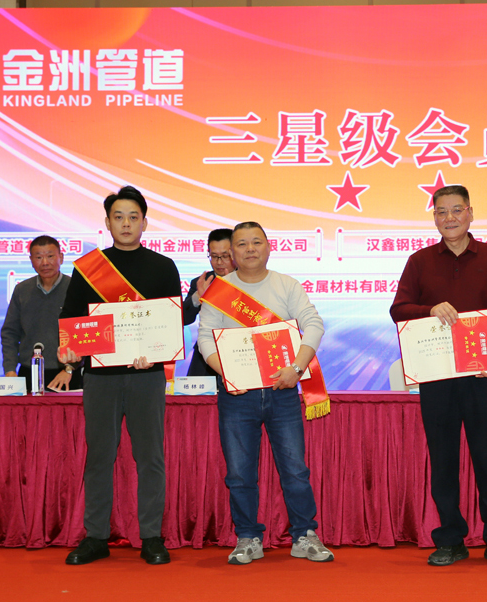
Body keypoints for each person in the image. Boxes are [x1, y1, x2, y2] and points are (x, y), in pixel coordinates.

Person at [389, 185, 487, 568]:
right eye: (441, 211)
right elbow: (399, 309)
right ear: (434, 217)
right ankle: (450, 539)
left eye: (457, 210)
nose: (449, 218)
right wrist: (429, 309)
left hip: (481, 376)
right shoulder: (419, 261)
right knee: (443, 461)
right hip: (437, 378)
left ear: (470, 213)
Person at [58, 186, 183, 566]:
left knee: (150, 457)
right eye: (118, 217)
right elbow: (71, 321)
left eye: (133, 217)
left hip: (147, 376)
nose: (126, 224)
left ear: (144, 223)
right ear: (107, 222)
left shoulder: (163, 267)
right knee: (99, 456)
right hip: (100, 376)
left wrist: (156, 354)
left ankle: (152, 537)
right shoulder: (89, 268)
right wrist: (68, 351)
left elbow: (170, 322)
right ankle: (96, 536)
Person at [198, 222, 334, 565]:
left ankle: (304, 535)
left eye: (256, 242)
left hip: (282, 391)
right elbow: (205, 339)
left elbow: (313, 324)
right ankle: (248, 538)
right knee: (239, 473)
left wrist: (297, 369)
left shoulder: (287, 285)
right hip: (237, 395)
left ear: (269, 247)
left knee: (295, 470)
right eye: (242, 244)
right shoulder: (220, 291)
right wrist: (228, 373)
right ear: (232, 252)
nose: (250, 249)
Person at [1, 235, 83, 391]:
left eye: (50, 256)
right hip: (27, 372)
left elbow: (86, 333)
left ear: (61, 257)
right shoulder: (22, 290)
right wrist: (10, 369)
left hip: (66, 375)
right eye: (38, 257)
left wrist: (69, 368)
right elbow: (10, 333)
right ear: (31, 260)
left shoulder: (75, 288)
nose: (45, 262)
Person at [182, 228, 235, 376]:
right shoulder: (202, 282)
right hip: (205, 357)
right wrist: (197, 297)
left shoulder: (248, 281)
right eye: (214, 256)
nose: (219, 262)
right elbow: (184, 319)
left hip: (240, 353)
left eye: (225, 256)